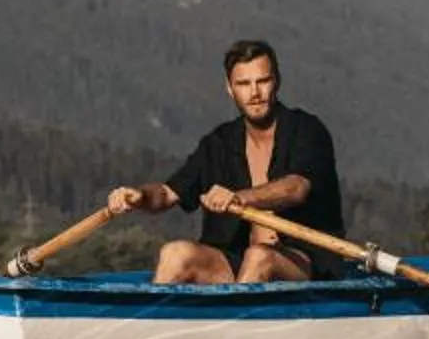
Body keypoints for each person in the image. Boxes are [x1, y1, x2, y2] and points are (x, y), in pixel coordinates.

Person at [106, 40, 345, 285]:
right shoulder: (218, 143)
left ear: (277, 82)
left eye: (262, 81)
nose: (254, 93)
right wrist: (138, 196)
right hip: (239, 263)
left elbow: (296, 188)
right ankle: (155, 322)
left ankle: (236, 320)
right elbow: (167, 193)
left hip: (306, 264)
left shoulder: (307, 130)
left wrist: (239, 198)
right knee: (175, 254)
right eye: (243, 84)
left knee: (260, 257)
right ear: (230, 89)